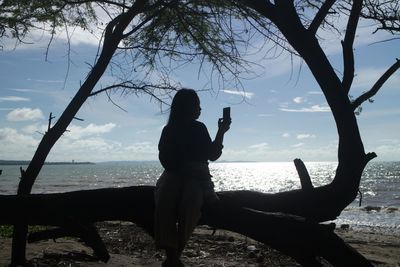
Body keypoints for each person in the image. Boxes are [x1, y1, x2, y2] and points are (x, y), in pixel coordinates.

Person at [154, 88, 231, 267]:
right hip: (175, 173)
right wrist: (184, 168)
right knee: (164, 196)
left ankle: (174, 254)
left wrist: (221, 131)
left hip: (195, 176)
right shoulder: (170, 129)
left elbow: (211, 154)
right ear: (187, 107)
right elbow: (165, 158)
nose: (200, 109)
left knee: (192, 201)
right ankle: (172, 256)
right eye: (197, 105)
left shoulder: (199, 128)